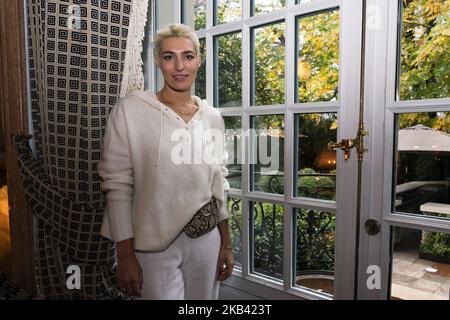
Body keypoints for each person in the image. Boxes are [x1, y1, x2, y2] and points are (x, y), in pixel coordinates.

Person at [98, 23, 234, 300]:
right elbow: (117, 184)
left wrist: (227, 244)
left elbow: (219, 181)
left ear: (198, 60)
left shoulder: (212, 117)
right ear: (159, 61)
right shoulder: (131, 110)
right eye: (169, 56)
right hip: (152, 245)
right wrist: (124, 253)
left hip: (206, 239)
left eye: (188, 56)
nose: (179, 66)